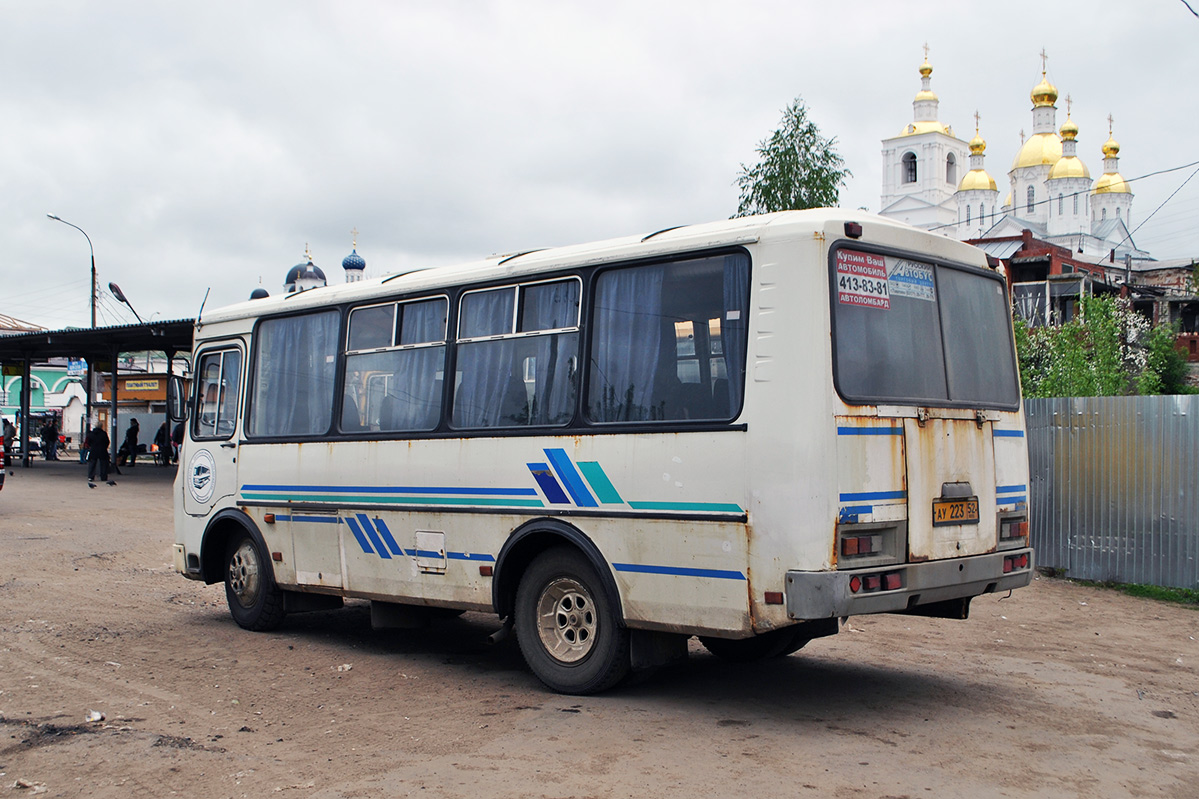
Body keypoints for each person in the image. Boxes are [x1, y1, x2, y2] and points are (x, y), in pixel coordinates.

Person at [85, 422, 114, 487]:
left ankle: (91, 476)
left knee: (92, 463)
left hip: (93, 450)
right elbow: (107, 442)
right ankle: (103, 477)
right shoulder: (104, 434)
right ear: (101, 426)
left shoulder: (91, 434)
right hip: (102, 450)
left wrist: (91, 446)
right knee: (103, 464)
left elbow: (88, 442)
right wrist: (104, 447)